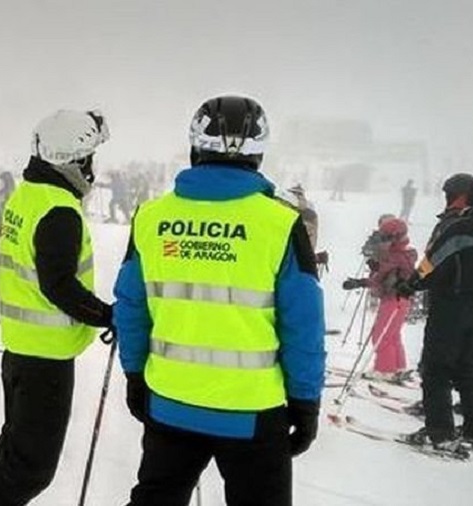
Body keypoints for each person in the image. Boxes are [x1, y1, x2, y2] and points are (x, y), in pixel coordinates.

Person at [114, 96, 325, 506]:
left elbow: (131, 307)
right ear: (258, 154)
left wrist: (135, 374)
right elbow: (303, 323)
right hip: (251, 413)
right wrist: (305, 400)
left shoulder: (152, 217)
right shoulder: (280, 224)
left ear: (195, 146)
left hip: (171, 402)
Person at [0, 109, 113, 506]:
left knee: (12, 453)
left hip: (22, 351)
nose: (93, 167)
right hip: (44, 358)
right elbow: (58, 285)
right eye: (90, 158)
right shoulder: (59, 209)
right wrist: (105, 315)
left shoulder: (29, 194)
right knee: (31, 468)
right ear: (74, 160)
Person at [400, 179, 473, 457]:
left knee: (437, 369)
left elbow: (431, 263)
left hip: (450, 307)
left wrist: (411, 284)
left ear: (471, 200)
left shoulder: (459, 229)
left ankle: (439, 433)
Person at [343, 218, 416, 379]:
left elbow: (379, 278)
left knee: (381, 334)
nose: (383, 241)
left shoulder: (396, 255)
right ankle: (398, 365)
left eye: (386, 237)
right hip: (401, 299)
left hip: (393, 299)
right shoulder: (405, 252)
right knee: (393, 334)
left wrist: (361, 281)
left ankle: (385, 369)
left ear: (395, 236)